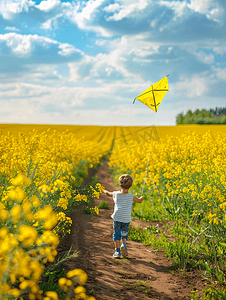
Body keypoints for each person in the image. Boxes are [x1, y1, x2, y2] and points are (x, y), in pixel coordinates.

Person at [103, 174, 143, 258]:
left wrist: (104, 190)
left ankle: (117, 251)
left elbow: (109, 194)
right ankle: (123, 244)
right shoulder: (131, 196)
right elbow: (139, 201)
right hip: (126, 219)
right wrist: (141, 198)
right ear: (130, 185)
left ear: (120, 184)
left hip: (117, 218)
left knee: (116, 234)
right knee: (124, 234)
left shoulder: (116, 194)